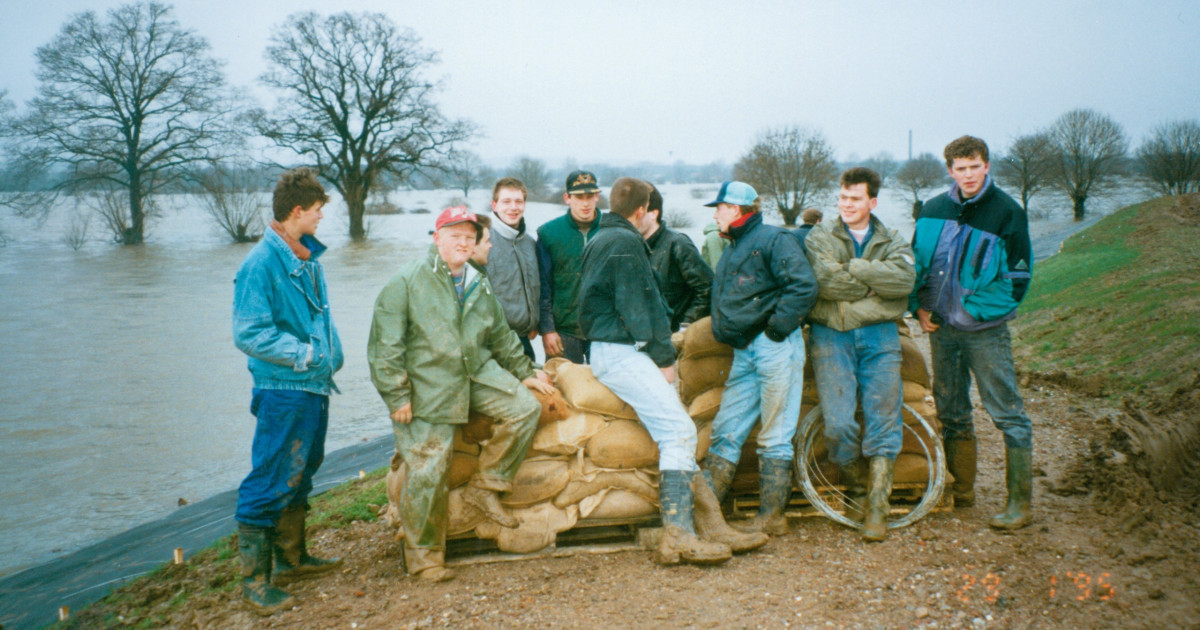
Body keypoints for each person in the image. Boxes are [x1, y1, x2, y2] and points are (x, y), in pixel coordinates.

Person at [579, 177, 767, 565]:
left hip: (611, 348)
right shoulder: (626, 242)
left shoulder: (599, 238)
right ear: (642, 210)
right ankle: (678, 535)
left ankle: (711, 524)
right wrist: (664, 358)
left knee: (676, 428)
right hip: (621, 351)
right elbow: (640, 308)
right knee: (680, 432)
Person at [368, 206, 556, 581]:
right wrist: (397, 396)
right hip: (430, 384)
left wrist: (523, 373)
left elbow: (500, 335)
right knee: (428, 467)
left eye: (469, 237)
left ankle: (487, 485)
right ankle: (425, 556)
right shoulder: (405, 282)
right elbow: (384, 347)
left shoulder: (478, 281)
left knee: (524, 409)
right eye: (455, 235)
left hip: (476, 373)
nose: (463, 243)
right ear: (436, 237)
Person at [231, 168, 344, 614]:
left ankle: (293, 559)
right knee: (272, 475)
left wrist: (321, 359)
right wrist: (307, 354)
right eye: (317, 212)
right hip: (284, 388)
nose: (320, 219)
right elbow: (249, 333)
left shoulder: (304, 257)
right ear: (297, 211)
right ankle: (255, 583)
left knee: (304, 468)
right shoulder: (260, 264)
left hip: (311, 386)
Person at [909, 135, 1034, 530]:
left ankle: (1020, 504)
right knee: (950, 408)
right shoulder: (932, 210)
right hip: (941, 330)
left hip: (986, 331)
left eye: (974, 167)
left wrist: (976, 311)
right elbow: (917, 266)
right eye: (959, 169)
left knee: (1006, 410)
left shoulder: (1008, 212)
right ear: (950, 171)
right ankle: (961, 491)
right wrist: (919, 307)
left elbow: (1018, 277)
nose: (968, 175)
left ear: (987, 166)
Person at [804, 168, 916, 541]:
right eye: (842, 198)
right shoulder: (820, 235)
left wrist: (855, 267)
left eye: (855, 198)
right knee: (838, 423)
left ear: (872, 201)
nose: (847, 205)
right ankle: (855, 488)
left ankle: (878, 507)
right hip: (831, 336)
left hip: (881, 336)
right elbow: (825, 281)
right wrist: (873, 288)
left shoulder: (892, 237)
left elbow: (904, 282)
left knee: (884, 416)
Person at [702, 181, 818, 536]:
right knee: (726, 429)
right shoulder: (735, 244)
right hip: (745, 350)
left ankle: (772, 516)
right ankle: (706, 513)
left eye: (719, 208)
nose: (716, 214)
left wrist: (776, 330)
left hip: (773, 347)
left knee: (775, 433)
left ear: (736, 210)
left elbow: (804, 286)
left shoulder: (774, 239)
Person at [537, 170, 602, 363]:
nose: (585, 203)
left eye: (590, 196)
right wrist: (548, 329)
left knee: (605, 391)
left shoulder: (613, 229)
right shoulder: (550, 233)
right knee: (561, 390)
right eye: (579, 197)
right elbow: (543, 286)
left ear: (597, 197)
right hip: (564, 331)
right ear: (567, 198)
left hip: (604, 333)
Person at [639, 185, 713, 331]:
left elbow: (707, 289)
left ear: (653, 214)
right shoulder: (630, 246)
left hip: (674, 339)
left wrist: (685, 327)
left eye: (637, 213)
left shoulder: (678, 244)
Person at [484, 178, 541, 360]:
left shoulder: (530, 243)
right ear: (494, 205)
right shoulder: (482, 242)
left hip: (523, 339)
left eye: (518, 201)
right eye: (506, 201)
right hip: (492, 342)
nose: (513, 207)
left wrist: (534, 322)